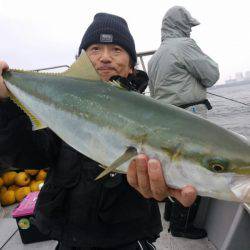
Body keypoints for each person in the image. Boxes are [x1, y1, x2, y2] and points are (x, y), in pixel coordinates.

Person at [0, 13, 196, 249]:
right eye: (95, 49)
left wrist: (166, 188)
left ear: (131, 64)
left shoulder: (151, 117)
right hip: (69, 238)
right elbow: (30, 154)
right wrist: (4, 107)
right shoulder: (58, 107)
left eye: (116, 49)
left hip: (128, 238)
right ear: (80, 60)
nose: (105, 57)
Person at [148, 6, 220, 239]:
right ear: (182, 25)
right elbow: (212, 74)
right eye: (188, 25)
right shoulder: (184, 45)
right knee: (194, 172)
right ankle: (183, 226)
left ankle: (171, 214)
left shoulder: (156, 55)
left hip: (166, 120)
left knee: (174, 168)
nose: (190, 29)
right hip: (189, 119)